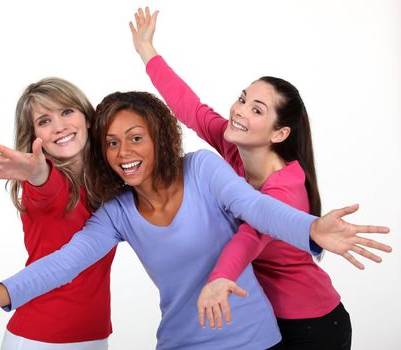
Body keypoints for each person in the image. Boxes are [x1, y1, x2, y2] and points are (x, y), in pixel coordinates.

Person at [0, 89, 391, 350]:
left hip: (254, 341)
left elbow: (258, 211)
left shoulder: (203, 170)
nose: (125, 152)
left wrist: (309, 227)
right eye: (112, 142)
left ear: (160, 138)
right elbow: (62, 264)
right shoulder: (118, 213)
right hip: (182, 343)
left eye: (136, 137)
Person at [129, 7, 377, 349]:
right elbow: (191, 109)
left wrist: (219, 278)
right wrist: (147, 51)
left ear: (280, 133)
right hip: (262, 318)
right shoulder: (235, 150)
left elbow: (249, 237)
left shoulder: (285, 188)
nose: (239, 110)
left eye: (256, 110)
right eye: (242, 98)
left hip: (311, 325)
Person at [0, 77, 116, 349]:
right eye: (44, 121)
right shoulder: (47, 186)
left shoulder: (106, 185)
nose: (59, 126)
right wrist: (36, 173)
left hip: (93, 335)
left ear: (88, 118)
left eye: (67, 111)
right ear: (35, 138)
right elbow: (44, 183)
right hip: (38, 338)